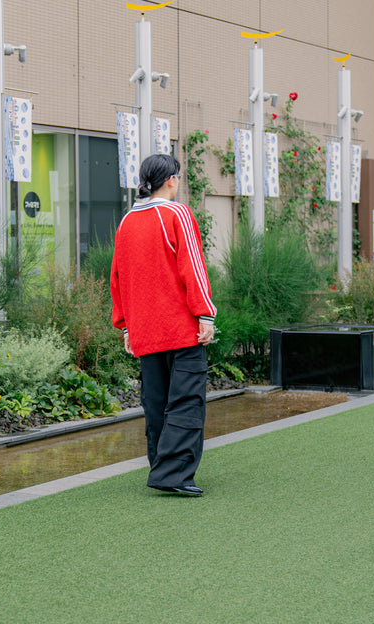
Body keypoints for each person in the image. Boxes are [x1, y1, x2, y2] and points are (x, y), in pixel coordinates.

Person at [110, 154, 216, 496]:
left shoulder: (127, 221)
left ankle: (161, 467)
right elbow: (193, 267)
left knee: (156, 404)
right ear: (171, 179)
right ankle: (174, 475)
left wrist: (126, 326)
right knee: (186, 402)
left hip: (145, 331)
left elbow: (117, 279)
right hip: (180, 328)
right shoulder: (177, 213)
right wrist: (205, 314)